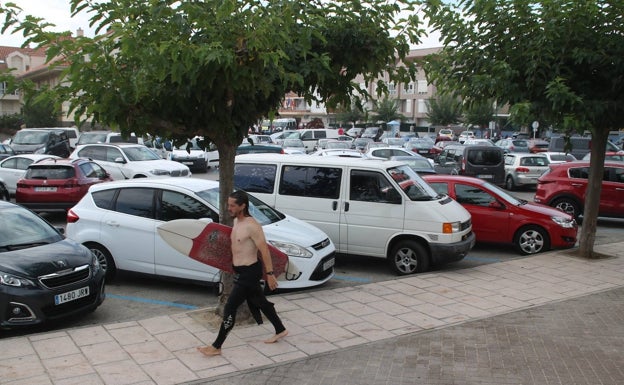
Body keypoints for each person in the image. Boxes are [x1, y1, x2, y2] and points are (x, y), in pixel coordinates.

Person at [197, 191, 288, 357]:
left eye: (232, 205)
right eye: (228, 204)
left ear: (243, 206)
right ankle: (280, 329)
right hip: (241, 271)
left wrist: (269, 273)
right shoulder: (236, 221)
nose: (228, 208)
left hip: (250, 272)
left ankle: (216, 346)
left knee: (230, 307)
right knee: (260, 301)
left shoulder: (252, 226)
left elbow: (264, 250)